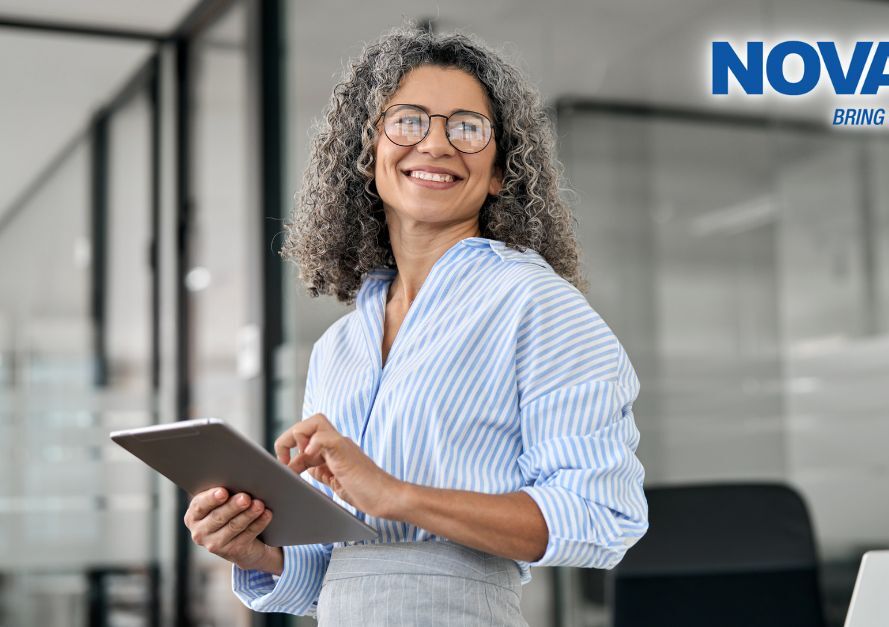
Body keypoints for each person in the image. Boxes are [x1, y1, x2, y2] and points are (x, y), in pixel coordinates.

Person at [180, 25, 649, 625]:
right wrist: (258, 550)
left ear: (503, 171)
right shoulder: (340, 347)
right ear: (367, 153)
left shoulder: (535, 304)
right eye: (408, 121)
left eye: (466, 127)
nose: (435, 144)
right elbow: (332, 572)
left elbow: (603, 515)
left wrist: (398, 495)